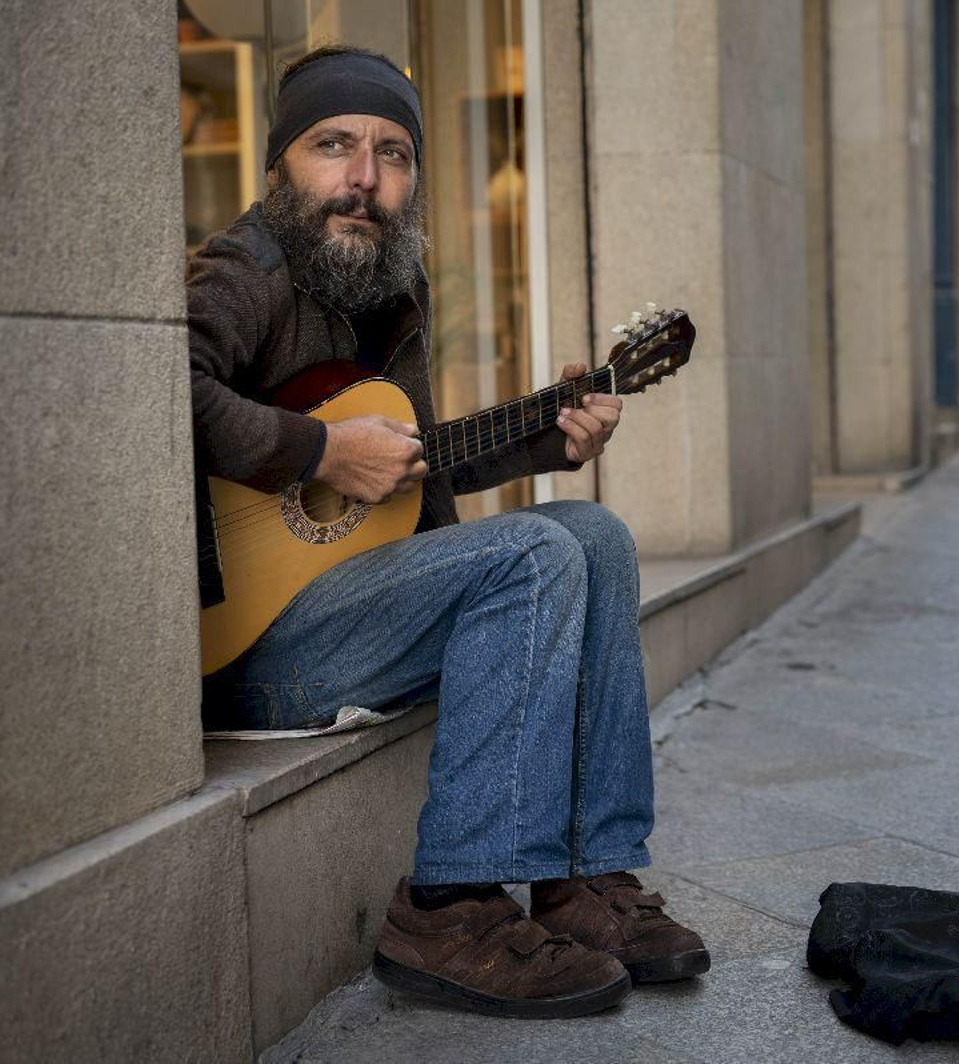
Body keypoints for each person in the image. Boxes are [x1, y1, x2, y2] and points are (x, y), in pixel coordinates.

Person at [188, 46, 707, 1020]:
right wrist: (314, 451)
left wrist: (543, 439)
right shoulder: (245, 268)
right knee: (532, 553)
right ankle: (451, 906)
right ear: (278, 166)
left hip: (351, 607)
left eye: (393, 154)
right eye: (332, 145)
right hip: (246, 648)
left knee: (591, 533)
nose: (363, 179)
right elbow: (157, 390)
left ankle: (584, 879)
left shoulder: (389, 286)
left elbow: (407, 473)